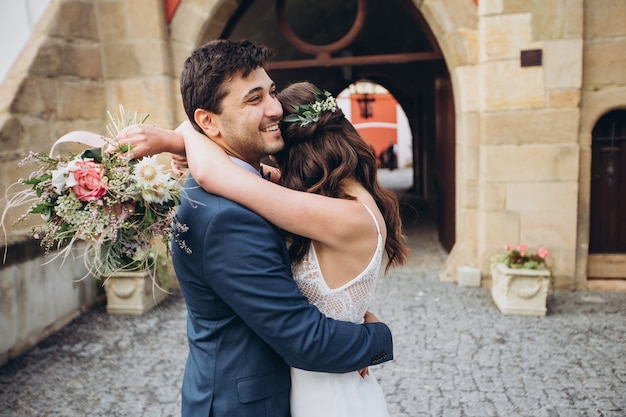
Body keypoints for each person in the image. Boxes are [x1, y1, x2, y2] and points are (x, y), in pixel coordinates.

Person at [118, 40, 395, 417]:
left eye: (272, 92)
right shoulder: (227, 214)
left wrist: (181, 137)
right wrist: (376, 337)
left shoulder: (250, 189)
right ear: (209, 122)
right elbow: (306, 340)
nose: (275, 109)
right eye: (254, 99)